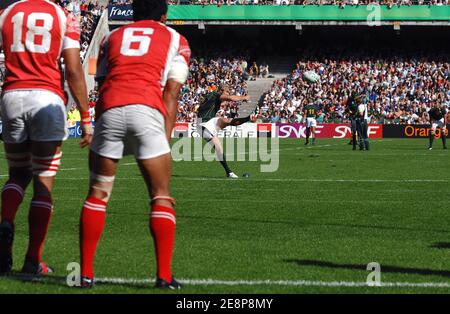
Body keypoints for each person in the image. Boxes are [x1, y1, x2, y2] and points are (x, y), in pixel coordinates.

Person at [79, 0, 190, 289]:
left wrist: (98, 125)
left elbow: (102, 84)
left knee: (98, 194)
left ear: (133, 14)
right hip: (147, 109)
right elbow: (171, 93)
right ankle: (163, 277)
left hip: (111, 108)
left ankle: (85, 274)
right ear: (164, 16)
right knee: (160, 194)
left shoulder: (111, 37)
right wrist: (163, 140)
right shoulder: (176, 39)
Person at [0, 0, 92, 275]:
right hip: (47, 97)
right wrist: (86, 118)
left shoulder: (6, 13)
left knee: (17, 175)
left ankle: (5, 222)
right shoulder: (63, 15)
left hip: (12, 95)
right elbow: (74, 69)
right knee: (43, 181)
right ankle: (32, 260)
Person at [196, 84, 255, 178]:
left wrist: (238, 100)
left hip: (204, 124)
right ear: (222, 90)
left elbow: (223, 102)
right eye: (227, 91)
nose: (228, 94)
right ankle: (248, 118)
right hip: (204, 124)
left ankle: (229, 172)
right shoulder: (216, 94)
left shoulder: (211, 96)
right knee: (225, 121)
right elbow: (230, 98)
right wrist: (244, 97)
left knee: (219, 148)